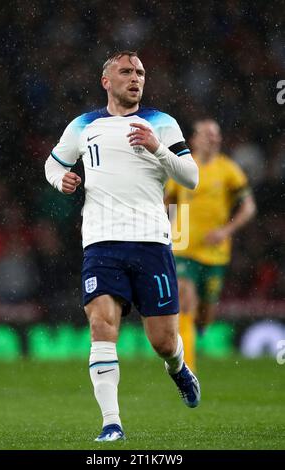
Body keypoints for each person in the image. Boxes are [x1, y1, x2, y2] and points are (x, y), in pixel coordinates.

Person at [45, 50, 200, 443]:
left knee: (163, 342)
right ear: (106, 81)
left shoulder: (160, 123)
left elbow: (191, 177)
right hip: (101, 242)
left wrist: (157, 148)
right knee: (101, 325)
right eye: (127, 72)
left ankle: (178, 368)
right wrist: (60, 179)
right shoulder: (84, 125)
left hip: (151, 242)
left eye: (141, 73)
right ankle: (111, 423)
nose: (136, 78)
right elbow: (53, 163)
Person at [165, 119, 256, 371]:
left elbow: (249, 207)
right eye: (206, 134)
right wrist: (170, 231)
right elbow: (169, 201)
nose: (212, 138)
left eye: (216, 134)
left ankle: (200, 327)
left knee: (205, 313)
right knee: (185, 301)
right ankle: (187, 370)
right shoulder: (183, 167)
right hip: (183, 249)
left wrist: (226, 230)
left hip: (215, 253)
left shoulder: (228, 170)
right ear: (194, 139)